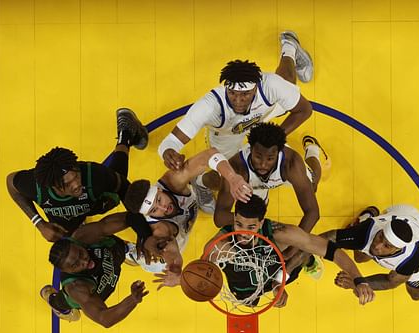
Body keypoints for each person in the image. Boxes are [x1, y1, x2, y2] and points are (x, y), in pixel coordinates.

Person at [158, 31, 314, 213]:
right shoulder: (210, 106)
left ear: (256, 87)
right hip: (226, 135)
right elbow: (170, 142)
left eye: (245, 95)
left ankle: (289, 46)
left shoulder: (270, 85)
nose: (238, 101)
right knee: (224, 176)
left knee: (286, 83)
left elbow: (304, 110)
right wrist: (168, 152)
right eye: (233, 93)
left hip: (262, 118)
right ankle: (200, 183)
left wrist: (272, 139)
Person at [189, 195, 375, 307]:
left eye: (251, 226)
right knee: (248, 301)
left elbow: (331, 250)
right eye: (238, 224)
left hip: (279, 271)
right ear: (234, 218)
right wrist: (183, 276)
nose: (244, 232)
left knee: (300, 255)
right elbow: (198, 275)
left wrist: (359, 280)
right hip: (242, 285)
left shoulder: (280, 233)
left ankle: (309, 262)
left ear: (261, 223)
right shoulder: (220, 246)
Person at [6, 108, 148, 242]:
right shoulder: (35, 185)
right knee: (70, 238)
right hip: (67, 218)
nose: (76, 184)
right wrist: (38, 222)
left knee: (115, 178)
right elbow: (11, 183)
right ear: (51, 186)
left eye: (76, 176)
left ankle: (125, 134)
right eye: (67, 184)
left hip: (97, 201)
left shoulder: (93, 173)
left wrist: (143, 231)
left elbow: (123, 185)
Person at [214, 122, 328, 278]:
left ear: (279, 153)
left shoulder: (291, 164)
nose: (263, 164)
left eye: (270, 158)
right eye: (258, 156)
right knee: (252, 210)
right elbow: (219, 217)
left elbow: (312, 212)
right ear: (251, 149)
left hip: (282, 177)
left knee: (313, 184)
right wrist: (262, 224)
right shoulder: (237, 168)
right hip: (250, 185)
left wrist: (295, 247)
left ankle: (313, 151)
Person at [122, 147, 253, 284]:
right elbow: (171, 251)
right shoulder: (161, 230)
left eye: (159, 200)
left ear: (159, 189)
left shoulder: (173, 181)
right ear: (150, 215)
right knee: (157, 265)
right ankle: (133, 254)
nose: (164, 208)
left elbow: (209, 154)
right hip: (171, 245)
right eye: (155, 210)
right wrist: (175, 266)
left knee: (216, 176)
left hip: (185, 215)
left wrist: (233, 178)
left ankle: (199, 187)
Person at [40, 212, 157, 327]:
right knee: (62, 302)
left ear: (76, 244)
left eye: (80, 253)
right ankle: (54, 302)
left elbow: (129, 217)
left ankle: (127, 250)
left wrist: (144, 235)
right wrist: (133, 300)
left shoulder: (82, 236)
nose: (84, 261)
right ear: (67, 271)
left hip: (111, 257)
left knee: (109, 241)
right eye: (75, 265)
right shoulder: (77, 288)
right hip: (97, 292)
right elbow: (104, 319)